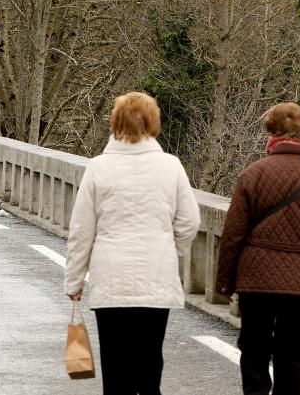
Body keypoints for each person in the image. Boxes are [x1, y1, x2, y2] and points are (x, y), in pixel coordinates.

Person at [64, 92, 200, 395]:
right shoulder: (171, 166)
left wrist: (74, 281)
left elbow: (82, 231)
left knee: (116, 370)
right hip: (156, 278)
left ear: (115, 123)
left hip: (111, 282)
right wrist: (168, 249)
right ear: (154, 122)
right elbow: (190, 221)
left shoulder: (98, 167)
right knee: (151, 365)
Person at [215, 102, 300, 395]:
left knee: (255, 352)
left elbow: (233, 235)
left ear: (270, 133)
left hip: (257, 280)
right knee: (294, 357)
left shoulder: (253, 175)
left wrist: (225, 280)